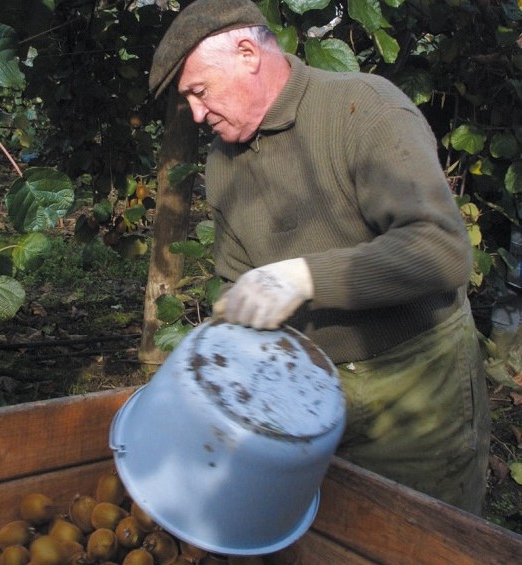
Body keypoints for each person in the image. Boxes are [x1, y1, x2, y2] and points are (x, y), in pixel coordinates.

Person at [149, 0, 490, 515]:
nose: (197, 114)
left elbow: (441, 249)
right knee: (326, 532)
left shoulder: (364, 110)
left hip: (416, 385)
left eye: (200, 91)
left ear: (247, 53)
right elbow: (240, 287)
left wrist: (304, 277)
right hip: (309, 388)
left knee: (421, 534)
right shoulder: (224, 165)